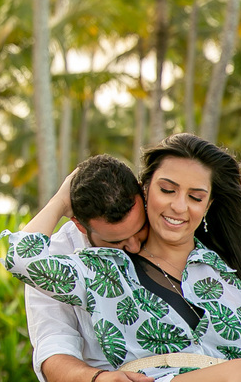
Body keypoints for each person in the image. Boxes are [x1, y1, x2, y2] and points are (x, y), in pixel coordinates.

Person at [0, 134, 241, 382]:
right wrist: (62, 197)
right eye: (167, 190)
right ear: (145, 190)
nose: (179, 206)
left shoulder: (235, 272)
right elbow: (17, 254)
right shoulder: (102, 267)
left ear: (208, 205)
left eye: (196, 196)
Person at [29, 154, 152, 382]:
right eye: (116, 242)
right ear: (79, 225)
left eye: (140, 229)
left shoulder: (168, 223)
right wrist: (99, 379)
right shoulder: (55, 257)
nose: (134, 247)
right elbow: (53, 347)